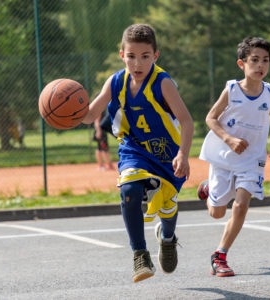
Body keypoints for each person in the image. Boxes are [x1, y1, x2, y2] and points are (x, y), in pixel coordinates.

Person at [81, 24, 194, 283]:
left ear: (155, 56)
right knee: (128, 191)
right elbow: (89, 115)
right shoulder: (116, 81)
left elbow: (187, 121)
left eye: (144, 56)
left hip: (167, 154)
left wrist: (183, 155)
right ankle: (140, 254)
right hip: (134, 147)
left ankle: (167, 239)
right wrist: (66, 112)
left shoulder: (163, 84)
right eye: (131, 56)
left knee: (168, 207)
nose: (137, 63)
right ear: (122, 55)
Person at [199, 37, 270, 277]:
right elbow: (210, 118)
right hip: (225, 157)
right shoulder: (232, 90)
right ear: (241, 64)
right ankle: (207, 190)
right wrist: (229, 139)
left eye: (265, 60)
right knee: (217, 213)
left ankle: (220, 255)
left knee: (242, 204)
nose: (260, 65)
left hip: (252, 160)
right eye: (254, 60)